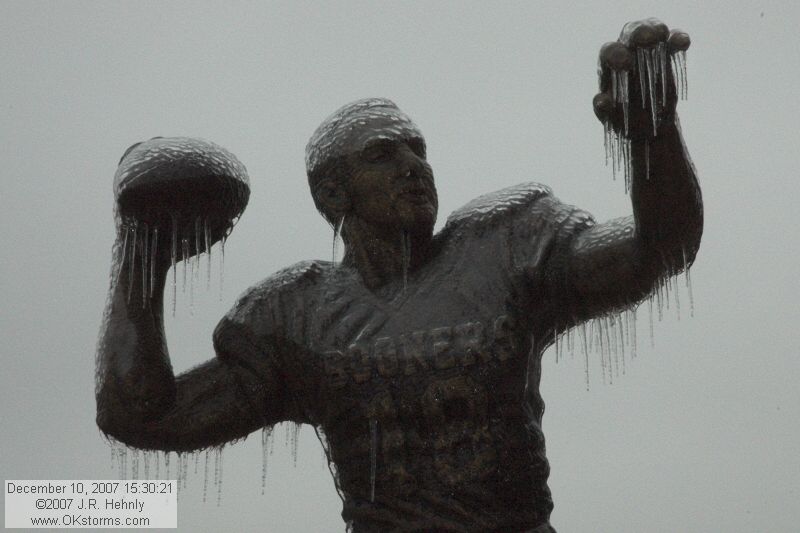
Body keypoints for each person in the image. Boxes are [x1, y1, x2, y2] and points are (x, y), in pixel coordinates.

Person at [96, 19, 702, 532]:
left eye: (419, 149)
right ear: (334, 192)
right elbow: (143, 416)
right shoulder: (296, 315)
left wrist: (653, 139)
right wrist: (142, 257)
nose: (414, 165)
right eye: (383, 154)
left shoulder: (504, 247)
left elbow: (660, 249)